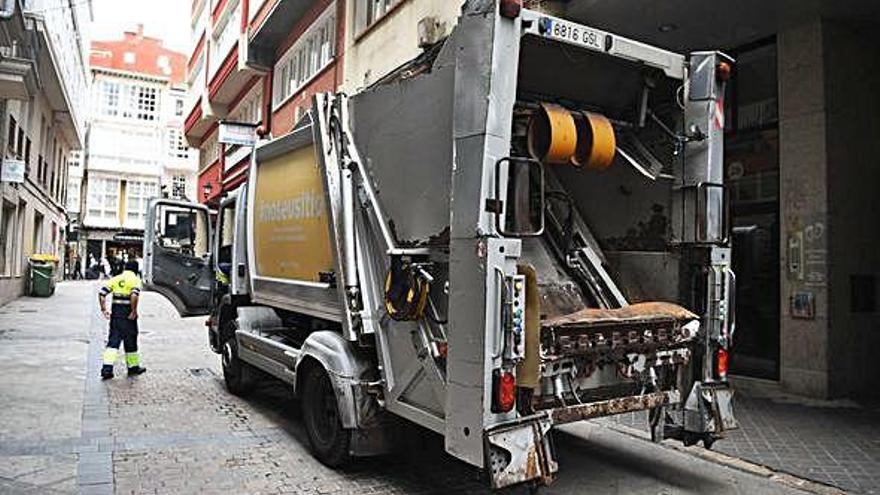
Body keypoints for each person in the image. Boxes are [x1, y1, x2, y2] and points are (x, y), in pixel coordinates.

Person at [97, 260, 146, 379]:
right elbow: (134, 295)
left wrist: (104, 309)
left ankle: (106, 369)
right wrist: (133, 311)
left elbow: (102, 294)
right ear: (135, 270)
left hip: (116, 316)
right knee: (131, 341)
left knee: (113, 342)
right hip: (128, 316)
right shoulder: (135, 280)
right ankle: (133, 367)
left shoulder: (115, 279)